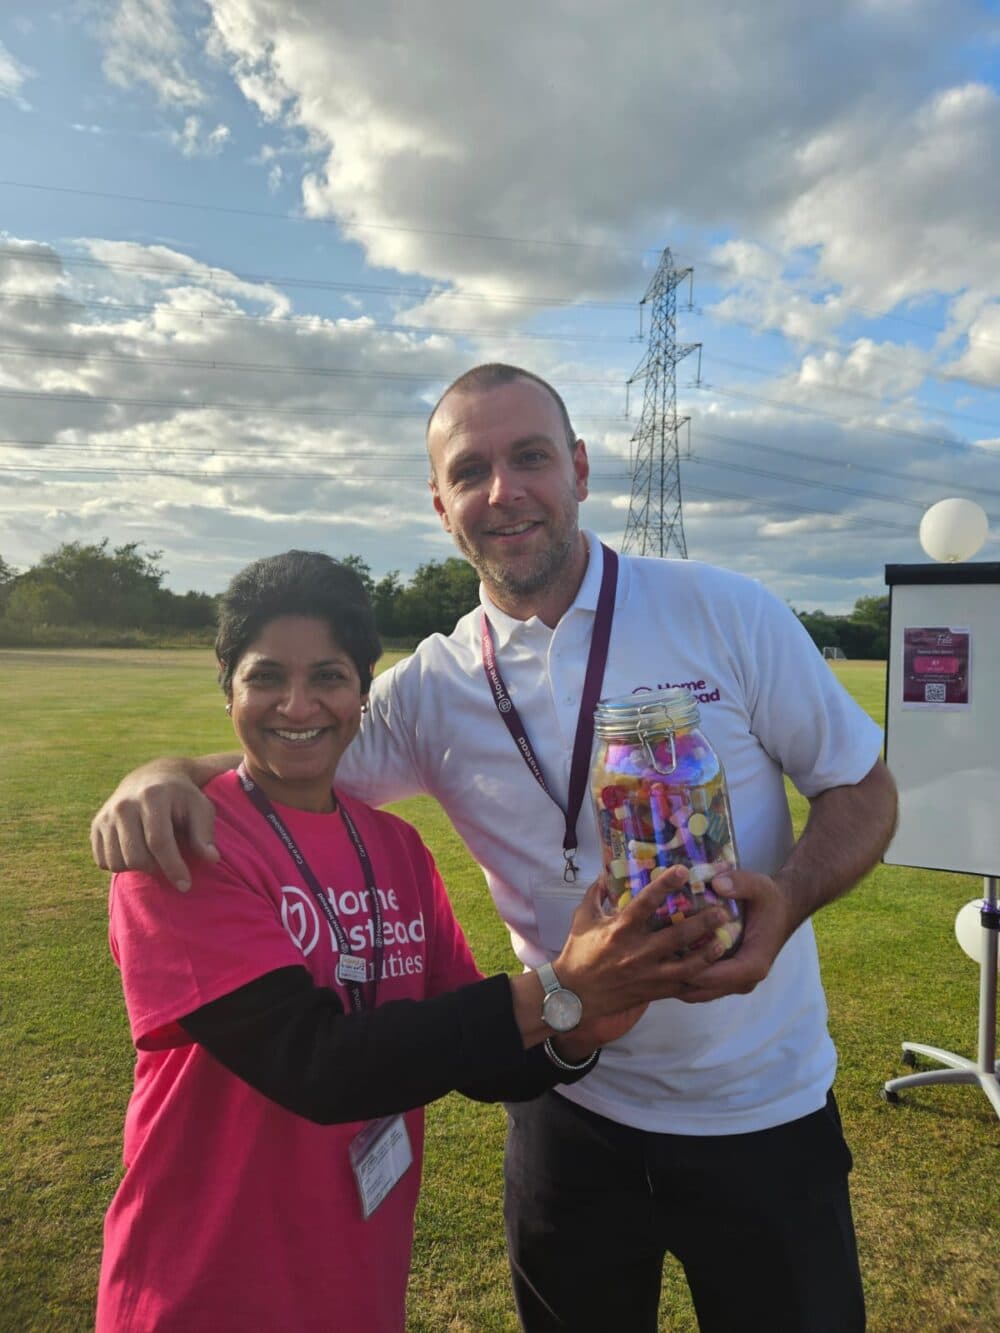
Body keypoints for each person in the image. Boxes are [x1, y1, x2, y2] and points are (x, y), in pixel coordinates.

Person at [92, 365, 898, 1333]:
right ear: (441, 506)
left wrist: (789, 898)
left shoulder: (724, 611)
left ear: (581, 469)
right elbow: (298, 744)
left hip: (758, 1108)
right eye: (469, 470)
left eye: (529, 457)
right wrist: (171, 767)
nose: (502, 491)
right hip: (565, 1102)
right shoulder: (433, 683)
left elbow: (861, 786)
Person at [94, 548, 732, 1333]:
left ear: (364, 692)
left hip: (357, 1286)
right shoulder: (185, 847)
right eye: (265, 676)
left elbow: (473, 1041)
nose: (298, 704)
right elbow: (315, 1064)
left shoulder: (395, 850)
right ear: (227, 687)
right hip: (204, 1289)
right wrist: (560, 988)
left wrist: (583, 1027)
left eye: (328, 675)